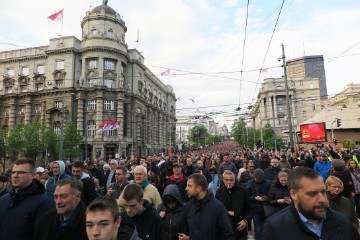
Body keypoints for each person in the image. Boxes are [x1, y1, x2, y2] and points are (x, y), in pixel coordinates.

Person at [262, 167, 360, 240]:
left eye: (323, 192)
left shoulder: (342, 222)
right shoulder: (275, 227)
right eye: (312, 194)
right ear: (294, 194)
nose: (322, 199)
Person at [0, 158, 52, 240]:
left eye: (20, 172)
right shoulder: (4, 200)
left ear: (33, 175)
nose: (15, 175)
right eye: (13, 172)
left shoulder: (43, 203)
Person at [179, 173, 235, 240]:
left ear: (199, 188)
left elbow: (228, 235)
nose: (186, 188)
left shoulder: (218, 207)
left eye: (189, 186)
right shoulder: (188, 207)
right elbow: (185, 233)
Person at [216, 170, 253, 240]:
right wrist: (228, 212)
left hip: (240, 229)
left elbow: (249, 209)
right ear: (223, 180)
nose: (229, 182)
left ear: (234, 180)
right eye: (226, 180)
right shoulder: (219, 193)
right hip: (225, 230)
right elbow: (217, 211)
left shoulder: (243, 191)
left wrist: (245, 221)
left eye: (231, 180)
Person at [246, 168, 271, 240]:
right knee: (258, 229)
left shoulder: (268, 183)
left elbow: (272, 195)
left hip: (267, 209)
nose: (258, 181)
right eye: (257, 179)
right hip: (255, 208)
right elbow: (247, 197)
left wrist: (266, 198)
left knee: (266, 228)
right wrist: (254, 198)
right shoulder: (250, 183)